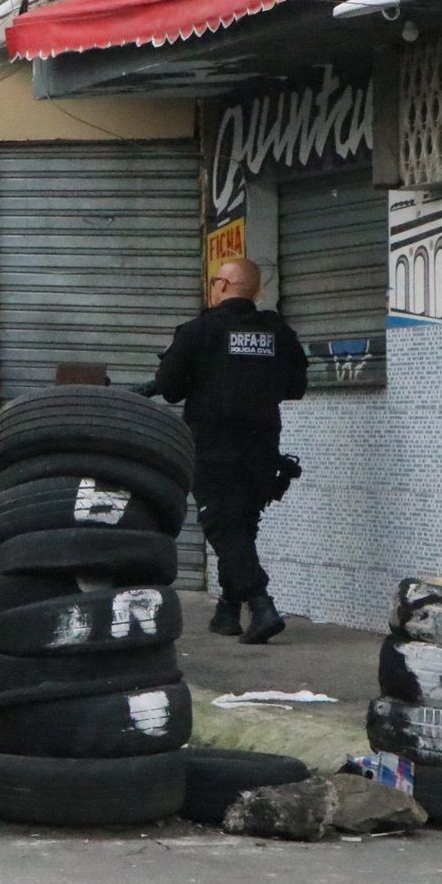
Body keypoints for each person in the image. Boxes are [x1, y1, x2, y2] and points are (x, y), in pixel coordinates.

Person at [153, 257, 307, 644]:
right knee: (241, 525)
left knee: (224, 527)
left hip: (213, 446)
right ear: (255, 291)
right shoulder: (279, 333)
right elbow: (295, 387)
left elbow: (170, 387)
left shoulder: (198, 330)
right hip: (262, 446)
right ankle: (226, 611)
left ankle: (260, 604)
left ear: (221, 285)